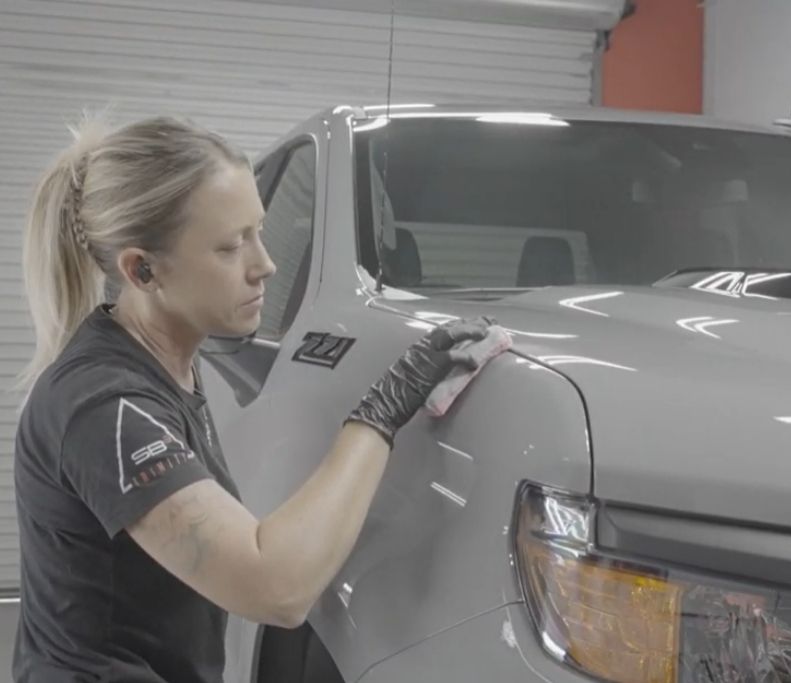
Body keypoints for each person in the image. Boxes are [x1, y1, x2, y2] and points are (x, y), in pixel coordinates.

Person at [11, 115, 493, 682]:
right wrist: (380, 413)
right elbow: (276, 587)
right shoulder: (108, 406)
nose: (264, 264)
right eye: (230, 246)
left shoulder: (170, 365)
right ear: (142, 270)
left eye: (258, 231)